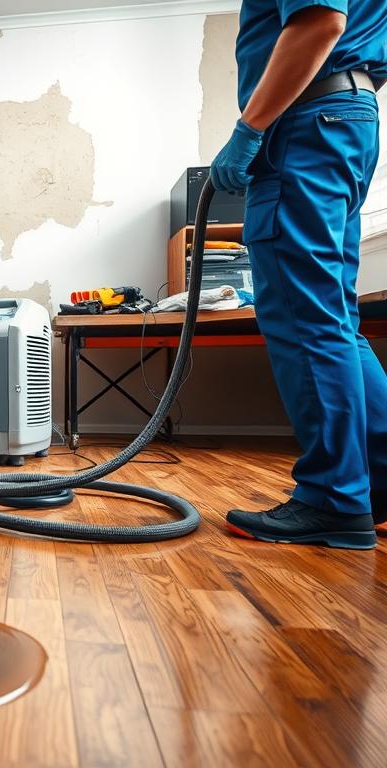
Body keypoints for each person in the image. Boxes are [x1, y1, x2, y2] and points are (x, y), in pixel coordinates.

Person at [210, 0, 387, 549]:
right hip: (344, 120)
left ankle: (333, 499)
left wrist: (249, 127)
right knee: (335, 321)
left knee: (305, 317)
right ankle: (374, 479)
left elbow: (319, 21)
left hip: (306, 129)